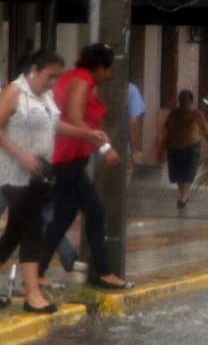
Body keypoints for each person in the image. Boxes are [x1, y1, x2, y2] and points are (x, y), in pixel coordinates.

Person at [0, 50, 106, 312]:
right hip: (13, 172)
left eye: (57, 77)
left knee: (14, 231)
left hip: (39, 173)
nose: (53, 83)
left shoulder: (45, 96)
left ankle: (32, 292)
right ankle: (32, 295)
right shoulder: (16, 91)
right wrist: (21, 154)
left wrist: (87, 134)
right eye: (50, 76)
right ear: (34, 69)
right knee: (33, 225)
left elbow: (55, 125)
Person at [37, 43, 132, 290]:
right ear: (99, 67)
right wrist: (104, 148)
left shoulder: (74, 78)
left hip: (69, 157)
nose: (109, 75)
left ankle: (37, 271)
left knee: (64, 216)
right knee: (96, 211)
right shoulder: (82, 81)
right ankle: (103, 272)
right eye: (108, 69)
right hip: (68, 157)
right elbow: (74, 117)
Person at [163, 90, 208, 208]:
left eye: (186, 99)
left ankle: (184, 197)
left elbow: (205, 130)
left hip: (191, 147)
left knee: (189, 172)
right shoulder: (173, 113)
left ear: (191, 101)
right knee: (177, 175)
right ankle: (184, 195)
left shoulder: (196, 114)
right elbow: (167, 128)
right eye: (181, 98)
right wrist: (164, 144)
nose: (183, 101)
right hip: (174, 147)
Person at [127, 82, 145, 170]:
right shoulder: (130, 89)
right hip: (124, 150)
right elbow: (134, 122)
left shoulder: (93, 86)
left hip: (97, 147)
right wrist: (135, 151)